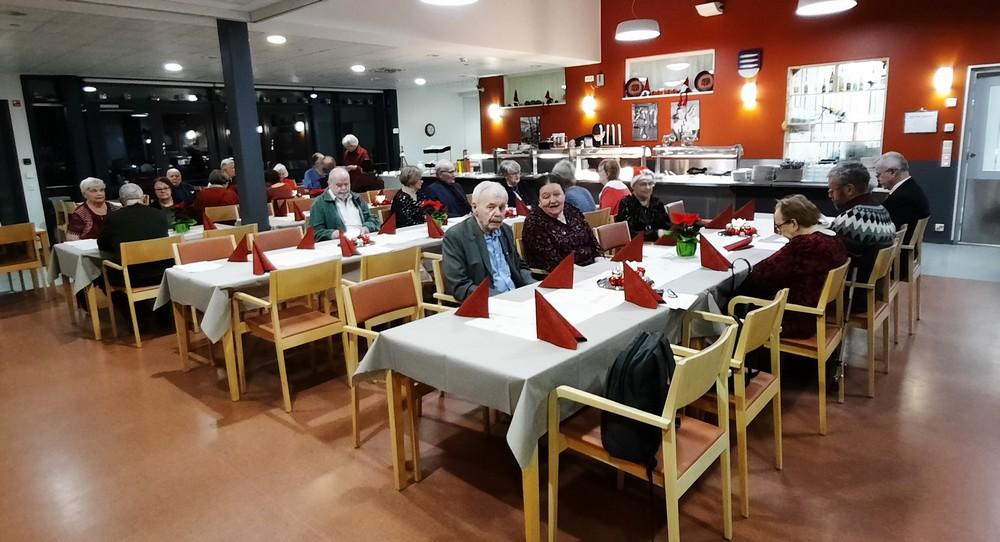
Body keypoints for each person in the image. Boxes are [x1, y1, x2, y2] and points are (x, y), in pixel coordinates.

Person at [741, 195, 848, 338]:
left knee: (737, 297)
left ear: (793, 223)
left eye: (779, 226)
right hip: (819, 313)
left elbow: (760, 274)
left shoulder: (804, 245)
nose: (779, 231)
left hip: (795, 318)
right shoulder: (833, 237)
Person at [442, 181, 535, 300]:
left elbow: (519, 266)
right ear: (474, 208)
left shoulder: (505, 230)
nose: (498, 214)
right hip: (488, 302)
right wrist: (501, 299)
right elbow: (459, 286)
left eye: (502, 208)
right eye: (491, 207)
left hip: (517, 296)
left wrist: (534, 285)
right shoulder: (456, 236)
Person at [827, 162, 895, 312]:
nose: (829, 195)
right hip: (872, 291)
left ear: (849, 189)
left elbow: (830, 261)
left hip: (851, 297)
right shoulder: (881, 209)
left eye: (832, 190)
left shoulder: (851, 219)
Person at [521, 175, 602, 272]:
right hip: (561, 274)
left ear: (564, 195)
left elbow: (592, 241)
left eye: (557, 194)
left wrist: (600, 261)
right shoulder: (534, 222)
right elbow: (553, 262)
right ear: (539, 200)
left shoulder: (571, 210)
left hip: (591, 268)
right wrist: (587, 272)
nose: (553, 201)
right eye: (546, 197)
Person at [97, 183, 170, 288]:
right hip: (162, 273)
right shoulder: (159, 214)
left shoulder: (112, 218)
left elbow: (103, 246)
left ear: (121, 201)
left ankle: (120, 299)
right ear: (143, 197)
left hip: (130, 276)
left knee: (101, 273)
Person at [309, 167, 380, 241]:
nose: (343, 188)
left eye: (346, 184)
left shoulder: (357, 198)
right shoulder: (319, 203)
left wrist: (366, 228)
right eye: (339, 185)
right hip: (337, 244)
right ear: (329, 184)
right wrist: (332, 234)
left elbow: (373, 220)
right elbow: (314, 232)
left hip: (362, 240)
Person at [875, 151, 930, 244]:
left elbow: (882, 229)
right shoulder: (912, 187)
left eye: (878, 175)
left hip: (899, 248)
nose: (878, 179)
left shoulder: (900, 198)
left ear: (893, 172)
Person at [615, 171, 670, 241]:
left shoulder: (657, 203)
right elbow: (627, 233)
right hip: (636, 244)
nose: (648, 187)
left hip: (658, 244)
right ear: (634, 186)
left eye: (650, 184)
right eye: (643, 184)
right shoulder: (626, 204)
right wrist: (655, 234)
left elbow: (666, 226)